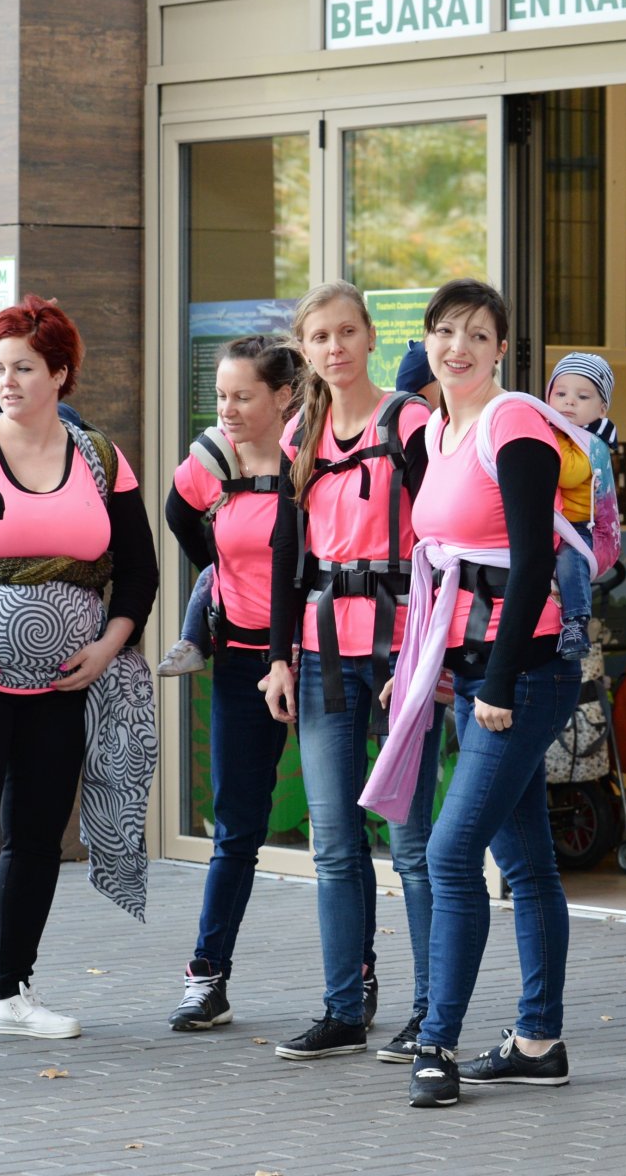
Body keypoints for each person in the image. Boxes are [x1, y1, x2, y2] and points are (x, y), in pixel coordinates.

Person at [0, 295, 158, 1053]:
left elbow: (138, 573)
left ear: (61, 373)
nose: (5, 381)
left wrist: (106, 650)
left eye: (23, 368)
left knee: (38, 835)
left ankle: (9, 991)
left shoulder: (102, 459)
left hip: (63, 681)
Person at [363, 278, 584, 1109]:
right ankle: (540, 1041)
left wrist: (493, 683)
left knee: (454, 856)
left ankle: (436, 1044)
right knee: (527, 862)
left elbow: (530, 562)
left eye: (478, 334)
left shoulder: (513, 423)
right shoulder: (436, 432)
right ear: (425, 340)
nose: (459, 347)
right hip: (471, 669)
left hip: (522, 672)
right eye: (446, 331)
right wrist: (426, 668)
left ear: (500, 349)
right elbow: (442, 567)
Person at [256, 281, 442, 1062]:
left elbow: (445, 539)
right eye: (319, 337)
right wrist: (275, 657)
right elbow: (285, 552)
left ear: (370, 338)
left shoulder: (412, 423)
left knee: (412, 842)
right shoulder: (302, 432)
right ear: (306, 351)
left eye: (346, 332)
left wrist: (428, 654)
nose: (334, 348)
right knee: (332, 838)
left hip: (402, 646)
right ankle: (344, 1005)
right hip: (325, 644)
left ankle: (435, 1010)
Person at [157, 332, 304, 1032]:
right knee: (237, 830)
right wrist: (218, 575)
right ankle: (207, 976)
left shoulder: (312, 461)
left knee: (338, 835)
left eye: (243, 396)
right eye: (221, 395)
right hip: (243, 663)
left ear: (283, 397)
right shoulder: (213, 460)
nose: (229, 408)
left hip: (318, 659)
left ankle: (354, 981)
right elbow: (178, 512)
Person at [544, 352, 619, 659]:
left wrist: (551, 440)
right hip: (553, 523)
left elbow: (569, 472)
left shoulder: (590, 441)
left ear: (601, 409)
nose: (569, 402)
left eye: (582, 396)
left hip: (579, 529)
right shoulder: (562, 433)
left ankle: (575, 620)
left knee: (568, 559)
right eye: (560, 394)